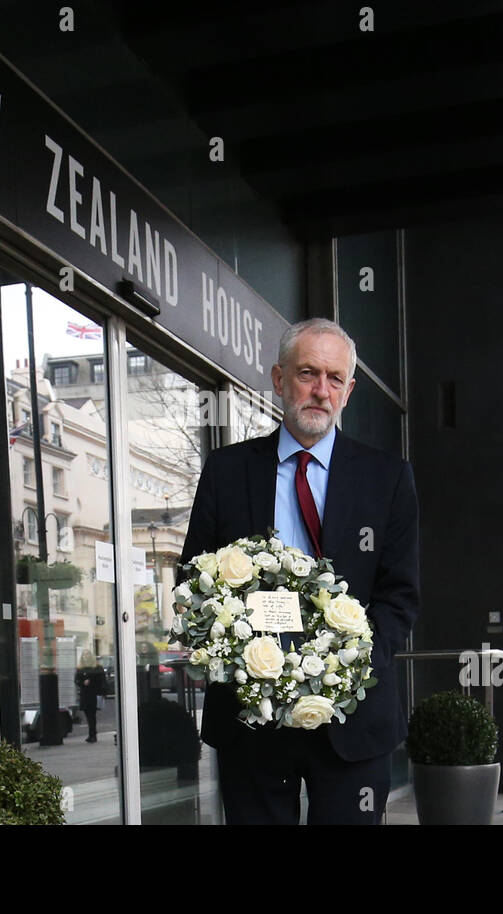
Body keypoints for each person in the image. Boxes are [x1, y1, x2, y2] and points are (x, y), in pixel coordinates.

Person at [180, 318, 420, 825]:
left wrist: (342, 670)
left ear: (349, 390)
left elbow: (399, 597)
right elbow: (191, 581)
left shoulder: (388, 477)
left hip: (352, 719)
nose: (320, 390)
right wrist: (235, 657)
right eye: (308, 373)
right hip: (250, 718)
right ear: (279, 379)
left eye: (335, 378)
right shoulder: (227, 472)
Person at [76, 650, 107, 743]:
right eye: (84, 654)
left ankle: (92, 735)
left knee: (91, 715)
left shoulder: (97, 667)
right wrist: (83, 682)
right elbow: (77, 680)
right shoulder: (80, 668)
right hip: (85, 694)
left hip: (94, 694)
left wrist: (102, 692)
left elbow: (102, 680)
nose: (86, 656)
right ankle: (92, 734)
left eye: (88, 654)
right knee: (88, 715)